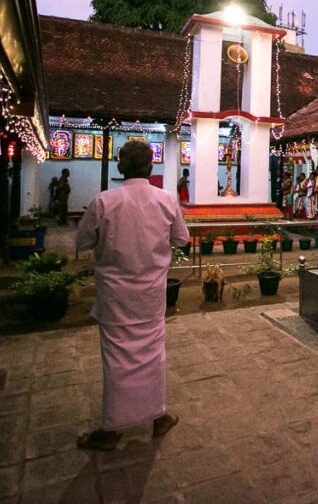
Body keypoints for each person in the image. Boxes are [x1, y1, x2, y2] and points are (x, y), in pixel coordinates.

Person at [75, 140, 189, 451]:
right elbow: (181, 238)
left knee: (117, 358)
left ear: (120, 166)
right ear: (150, 166)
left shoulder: (104, 202)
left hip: (116, 295)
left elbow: (83, 240)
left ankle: (112, 430)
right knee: (153, 353)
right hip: (151, 293)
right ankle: (157, 417)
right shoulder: (166, 200)